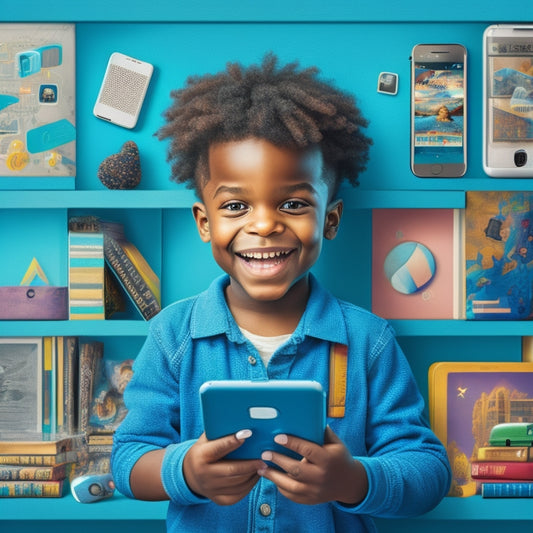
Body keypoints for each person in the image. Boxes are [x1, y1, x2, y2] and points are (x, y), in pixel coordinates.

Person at [111, 53, 451, 532]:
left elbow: (428, 472)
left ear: (329, 220)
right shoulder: (173, 335)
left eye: (293, 203)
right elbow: (127, 459)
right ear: (204, 223)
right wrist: (186, 471)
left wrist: (352, 480)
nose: (265, 224)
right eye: (235, 205)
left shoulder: (368, 340)